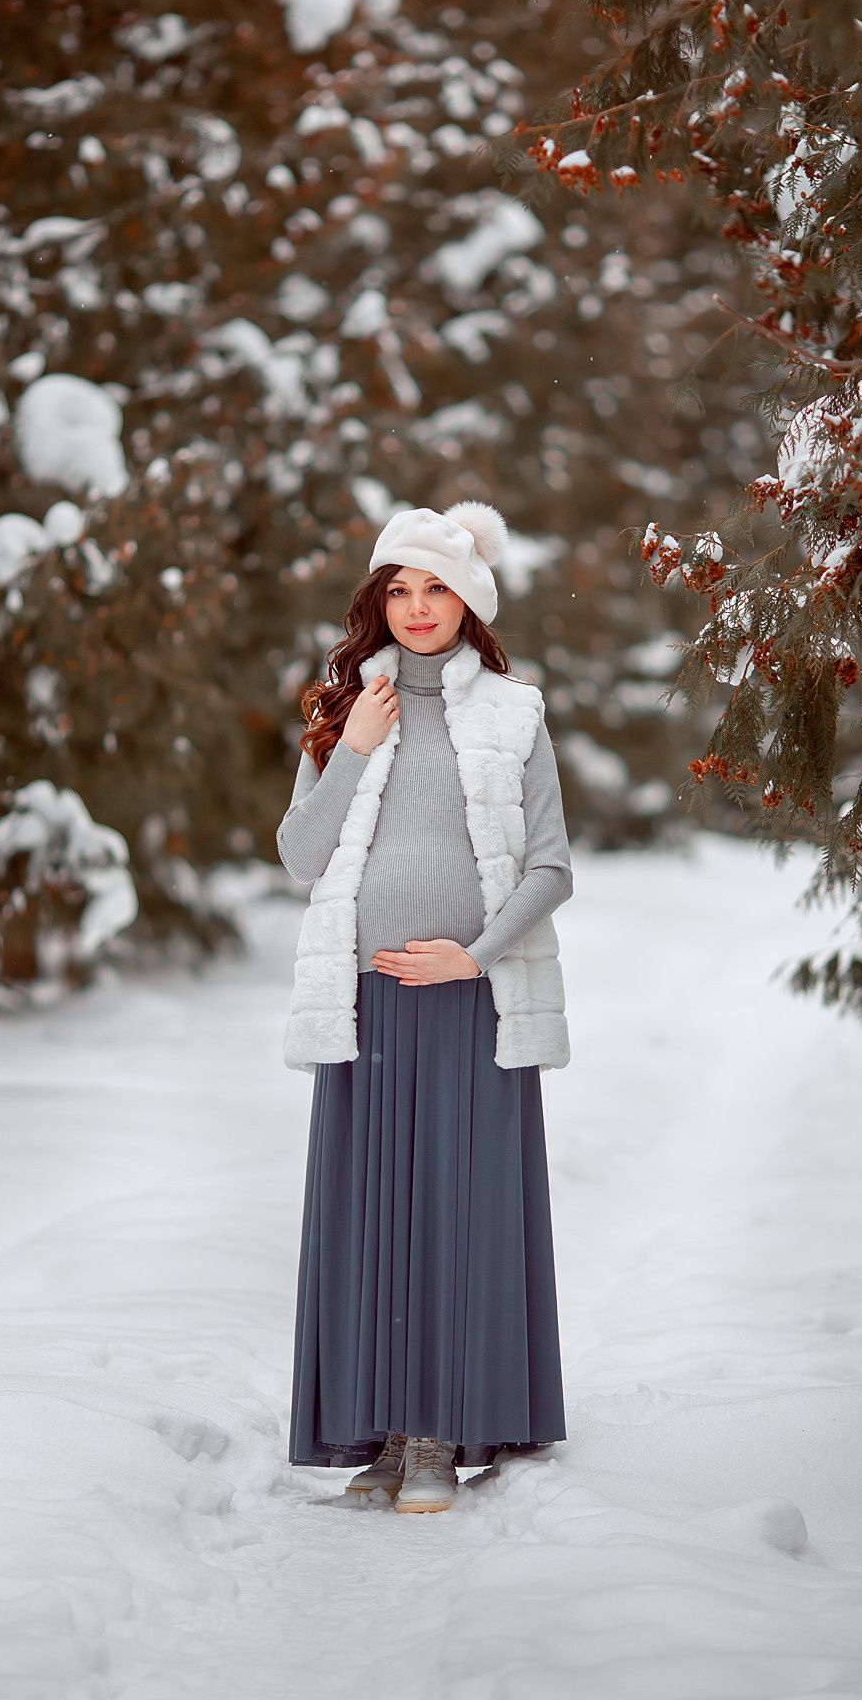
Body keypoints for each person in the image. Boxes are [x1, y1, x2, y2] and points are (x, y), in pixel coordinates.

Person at [277, 501, 573, 1514]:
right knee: (370, 1224)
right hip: (362, 1008)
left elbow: (549, 867)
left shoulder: (510, 714)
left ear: (468, 600)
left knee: (457, 1216)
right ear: (375, 603)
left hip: (467, 1006)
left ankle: (442, 1435)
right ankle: (384, 1439)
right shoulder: (341, 713)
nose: (415, 608)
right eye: (397, 589)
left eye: (435, 587)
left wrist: (473, 958)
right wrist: (352, 744)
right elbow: (299, 858)